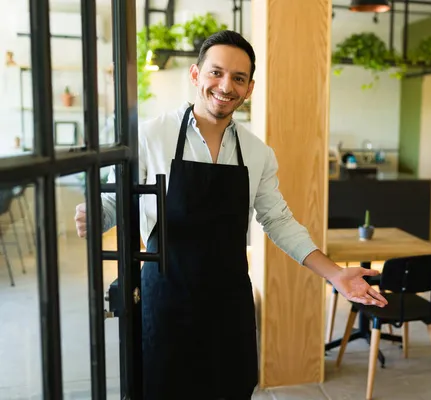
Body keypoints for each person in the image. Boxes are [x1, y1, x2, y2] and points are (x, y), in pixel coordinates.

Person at [74, 30, 387, 399]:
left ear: (249, 88)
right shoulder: (150, 137)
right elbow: (116, 203)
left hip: (228, 305)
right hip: (166, 301)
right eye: (216, 72)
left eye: (238, 78)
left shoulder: (257, 154)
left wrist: (334, 273)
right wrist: (95, 214)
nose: (226, 86)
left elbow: (279, 220)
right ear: (195, 74)